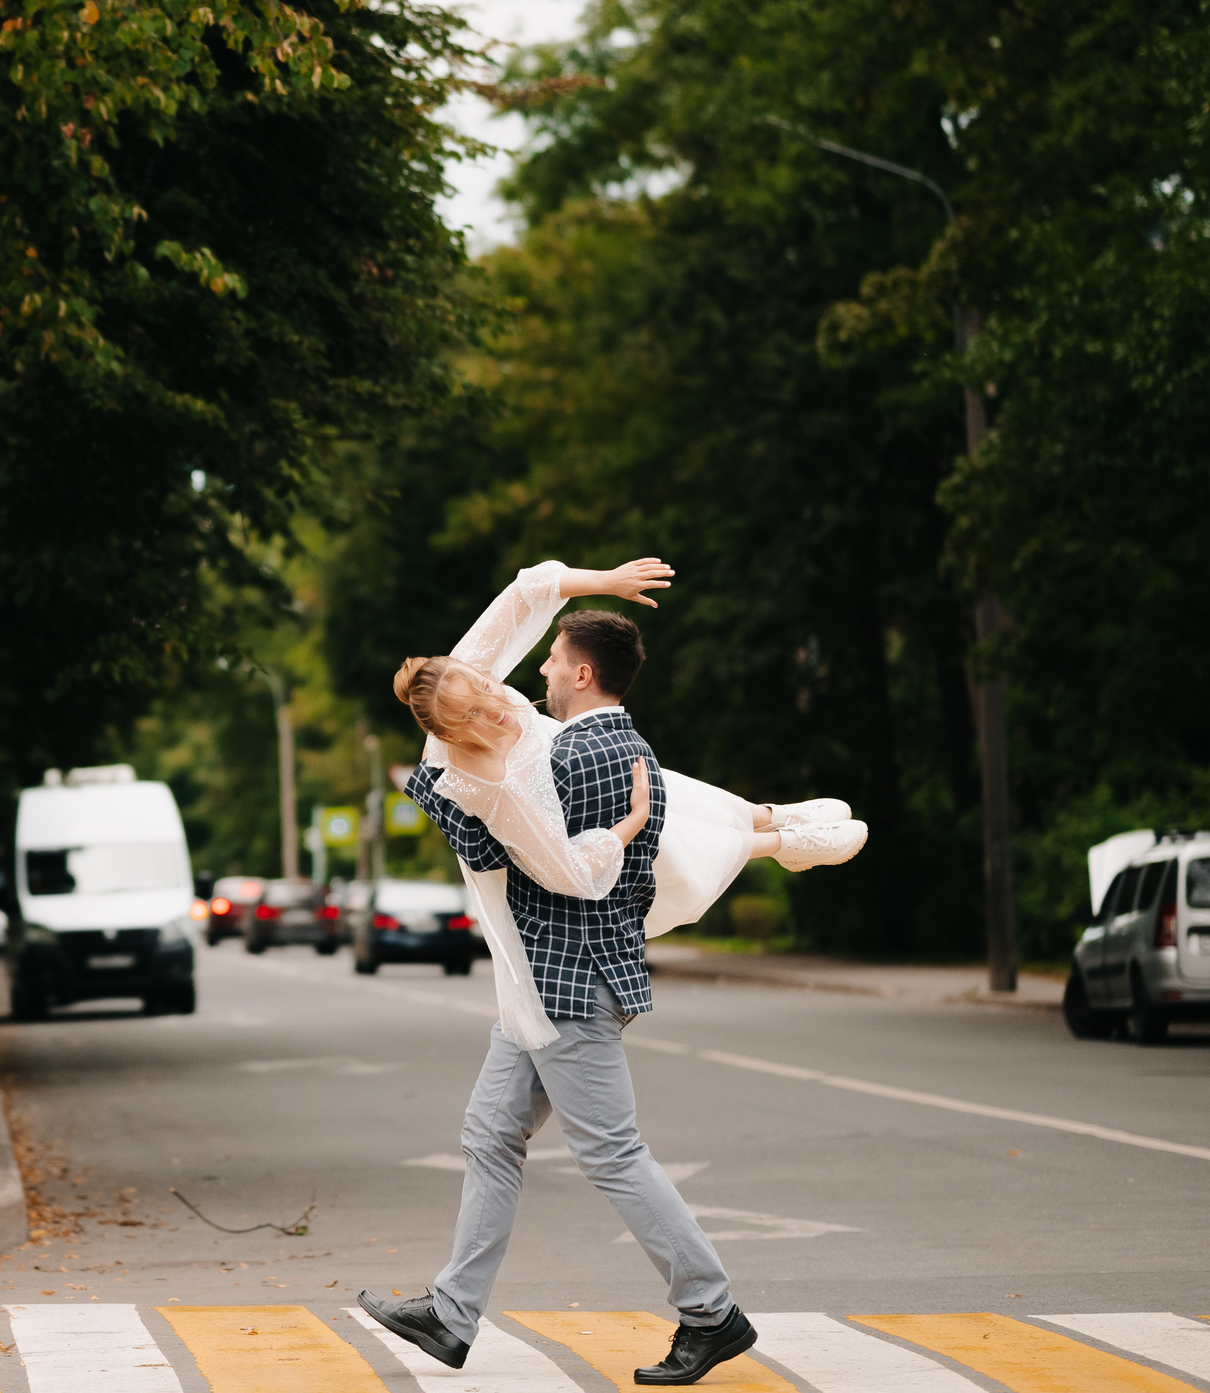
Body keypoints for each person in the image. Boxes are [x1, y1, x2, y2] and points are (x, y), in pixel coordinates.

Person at [357, 559, 863, 1387]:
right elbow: (576, 868)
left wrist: (598, 580)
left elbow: (521, 596)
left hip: (562, 985)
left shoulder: (497, 727)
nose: (499, 697)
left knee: (613, 1153)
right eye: (478, 706)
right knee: (491, 1134)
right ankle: (451, 1314)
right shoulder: (489, 778)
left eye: (487, 688)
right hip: (542, 984)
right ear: (448, 729)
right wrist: (625, 827)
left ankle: (711, 1312)